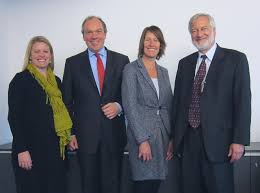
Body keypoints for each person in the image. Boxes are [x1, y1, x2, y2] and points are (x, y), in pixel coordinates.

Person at [172, 13, 251, 193]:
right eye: (194, 30)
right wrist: (174, 139)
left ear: (214, 31)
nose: (199, 34)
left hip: (220, 144)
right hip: (188, 142)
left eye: (203, 28)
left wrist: (239, 140)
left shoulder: (236, 60)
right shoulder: (184, 64)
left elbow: (243, 101)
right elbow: (178, 103)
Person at [62, 16, 130, 193]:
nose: (94, 36)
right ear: (83, 36)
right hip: (85, 139)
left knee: (113, 186)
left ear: (105, 34)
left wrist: (119, 106)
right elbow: (67, 102)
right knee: (88, 186)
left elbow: (130, 95)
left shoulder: (122, 60)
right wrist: (71, 133)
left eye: (98, 31)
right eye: (89, 32)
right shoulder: (72, 63)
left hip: (114, 136)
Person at [8, 36, 72, 193]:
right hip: (30, 152)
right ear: (30, 55)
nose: (41, 55)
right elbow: (14, 118)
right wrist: (22, 150)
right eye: (36, 51)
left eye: (45, 51)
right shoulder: (20, 80)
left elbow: (63, 113)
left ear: (50, 56)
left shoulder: (56, 81)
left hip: (55, 152)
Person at [121, 25, 174, 193]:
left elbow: (168, 105)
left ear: (161, 44)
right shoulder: (131, 70)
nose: (152, 43)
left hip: (162, 136)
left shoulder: (163, 72)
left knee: (156, 183)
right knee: (143, 184)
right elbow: (130, 107)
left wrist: (172, 138)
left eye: (156, 40)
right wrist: (142, 140)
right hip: (142, 137)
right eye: (148, 39)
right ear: (142, 43)